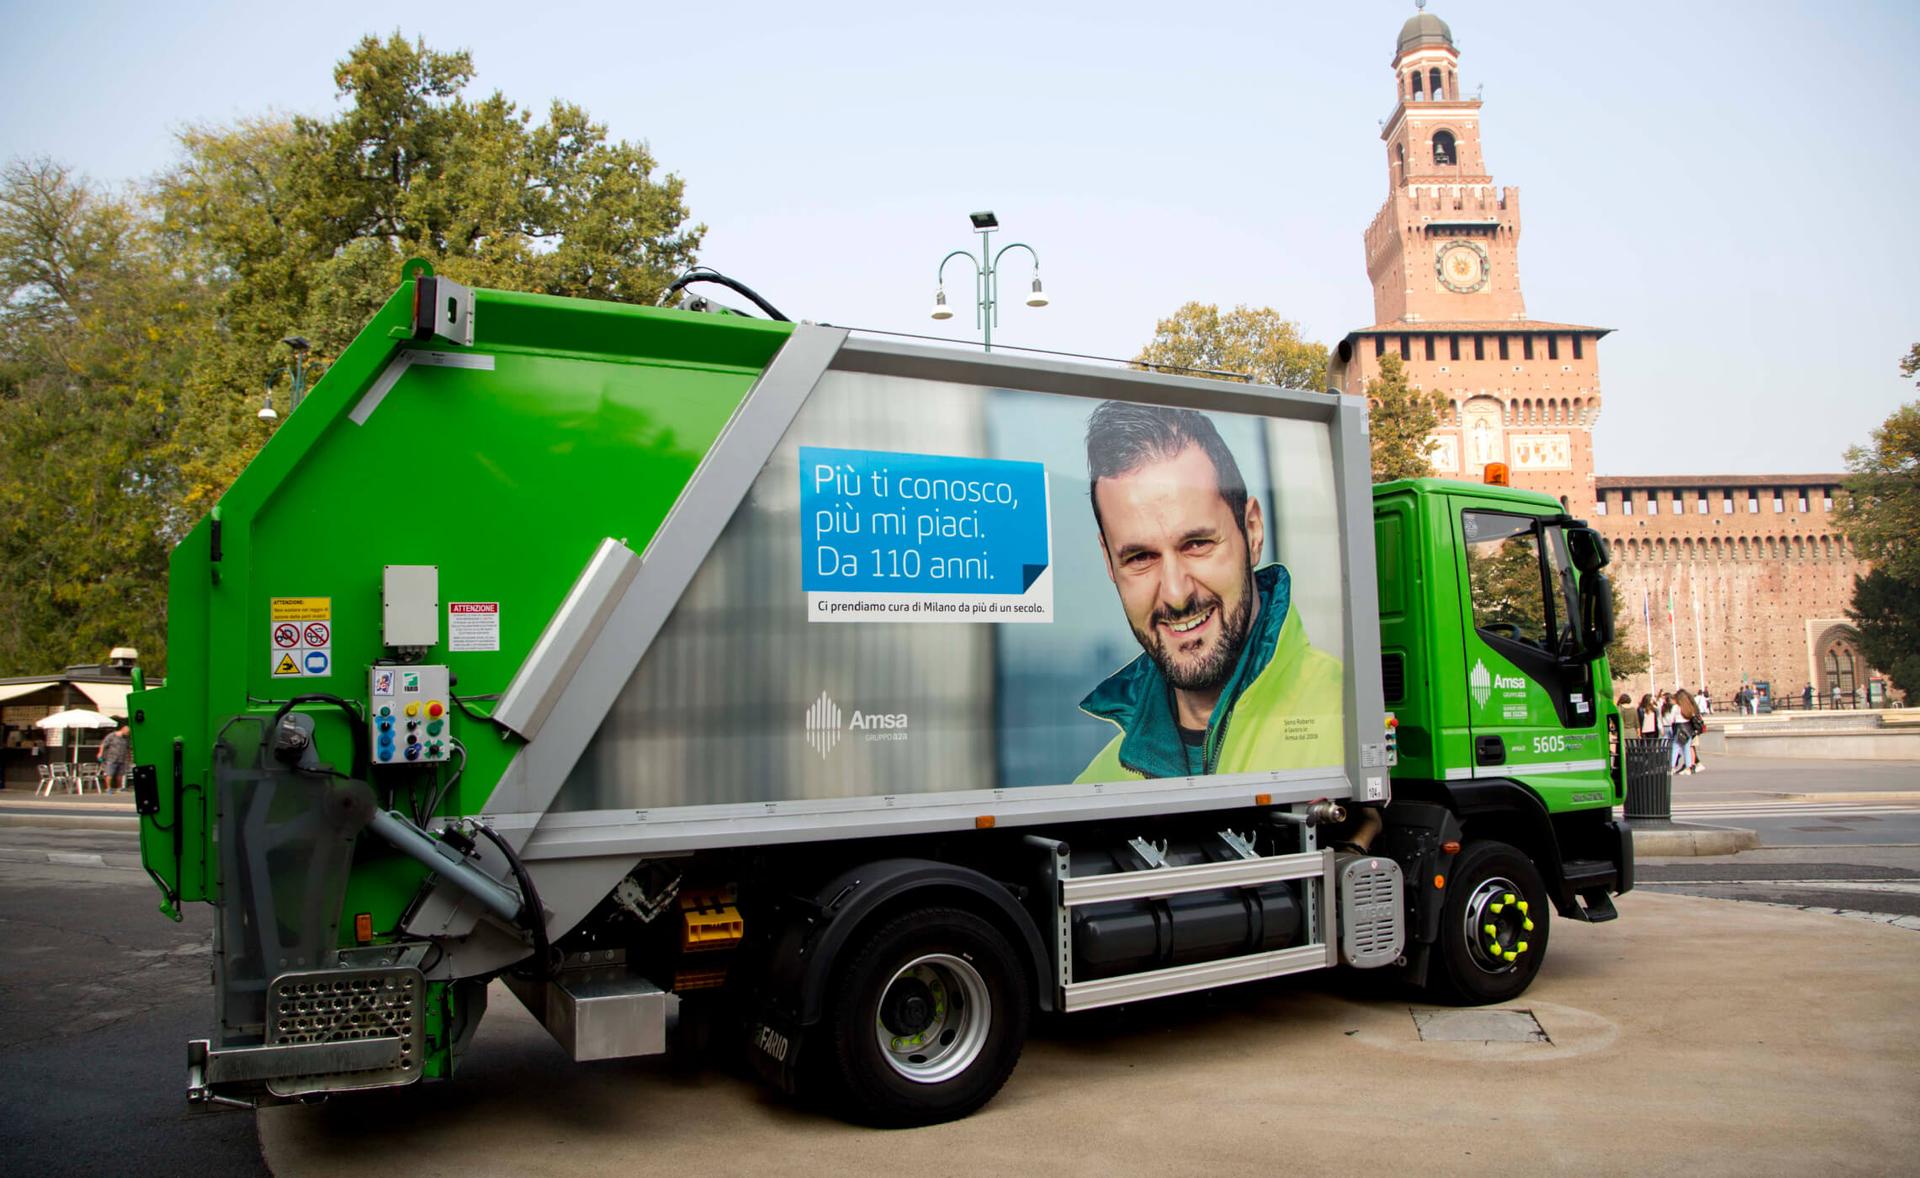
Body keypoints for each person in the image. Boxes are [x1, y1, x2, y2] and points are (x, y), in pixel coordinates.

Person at [1075, 401, 1342, 782]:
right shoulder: (1097, 784)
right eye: (1140, 557)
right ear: (1109, 562)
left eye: (1197, 544)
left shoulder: (1344, 719)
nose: (1176, 593)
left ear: (1251, 530)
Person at [97, 719, 132, 793]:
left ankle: (119, 788)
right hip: (111, 758)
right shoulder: (112, 736)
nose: (128, 734)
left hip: (122, 758)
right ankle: (108, 788)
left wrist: (129, 757)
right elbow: (103, 744)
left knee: (120, 774)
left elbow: (128, 748)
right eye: (127, 732)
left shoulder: (126, 738)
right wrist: (100, 753)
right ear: (122, 730)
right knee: (110, 773)